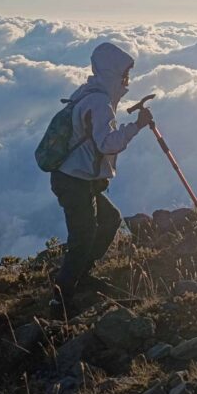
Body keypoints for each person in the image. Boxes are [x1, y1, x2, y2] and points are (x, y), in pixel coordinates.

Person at [50, 42, 152, 313]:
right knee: (82, 237)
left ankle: (81, 275)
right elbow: (107, 143)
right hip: (75, 181)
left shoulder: (88, 93)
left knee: (109, 219)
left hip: (74, 177)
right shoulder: (100, 102)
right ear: (112, 72)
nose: (127, 79)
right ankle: (61, 299)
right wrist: (137, 127)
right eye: (124, 73)